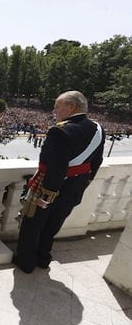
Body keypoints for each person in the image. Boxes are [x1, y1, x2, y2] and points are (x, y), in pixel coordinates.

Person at [13, 90, 105, 273]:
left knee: (33, 225)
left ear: (72, 107)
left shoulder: (60, 131)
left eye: (58, 106)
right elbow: (97, 161)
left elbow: (57, 168)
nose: (54, 110)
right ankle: (43, 258)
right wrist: (85, 182)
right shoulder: (98, 128)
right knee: (53, 226)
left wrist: (46, 196)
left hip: (51, 188)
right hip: (76, 187)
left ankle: (26, 262)